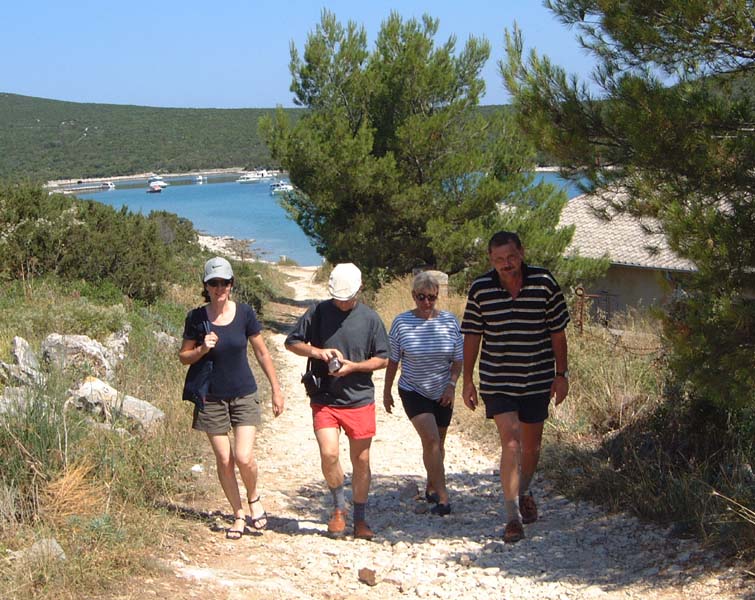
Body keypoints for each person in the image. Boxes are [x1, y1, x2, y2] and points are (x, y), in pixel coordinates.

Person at [461, 231, 569, 543]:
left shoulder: (544, 283)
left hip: (537, 377)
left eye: (510, 257)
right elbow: (472, 335)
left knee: (532, 447)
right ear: (490, 260)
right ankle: (512, 518)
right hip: (498, 379)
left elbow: (558, 333)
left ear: (521, 252)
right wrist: (467, 380)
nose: (506, 264)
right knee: (511, 443)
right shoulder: (481, 289)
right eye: (499, 260)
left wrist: (561, 374)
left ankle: (523, 492)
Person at [179, 257, 285, 540]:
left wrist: (276, 388)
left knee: (243, 456)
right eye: (213, 283)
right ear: (206, 286)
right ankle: (238, 515)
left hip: (244, 393)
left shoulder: (245, 314)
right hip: (211, 398)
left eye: (224, 283)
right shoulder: (196, 318)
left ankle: (254, 498)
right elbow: (184, 357)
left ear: (231, 284)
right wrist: (202, 349)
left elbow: (262, 352)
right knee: (224, 459)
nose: (219, 288)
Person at [285, 263, 389, 540]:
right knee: (329, 454)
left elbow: (383, 358)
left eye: (347, 298)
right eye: (338, 298)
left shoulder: (370, 318)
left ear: (360, 289)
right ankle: (339, 508)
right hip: (325, 398)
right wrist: (318, 352)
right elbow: (291, 343)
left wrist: (354, 367)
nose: (342, 303)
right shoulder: (317, 312)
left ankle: (360, 519)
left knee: (361, 460)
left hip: (359, 399)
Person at [383, 272, 462, 516]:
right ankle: (443, 497)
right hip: (413, 390)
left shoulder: (450, 321)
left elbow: (458, 359)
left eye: (431, 297)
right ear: (413, 296)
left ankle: (431, 485)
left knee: (439, 443)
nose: (426, 302)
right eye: (421, 297)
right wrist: (386, 391)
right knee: (431, 440)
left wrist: (452, 385)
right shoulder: (401, 323)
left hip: (443, 391)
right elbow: (393, 361)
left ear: (437, 297)